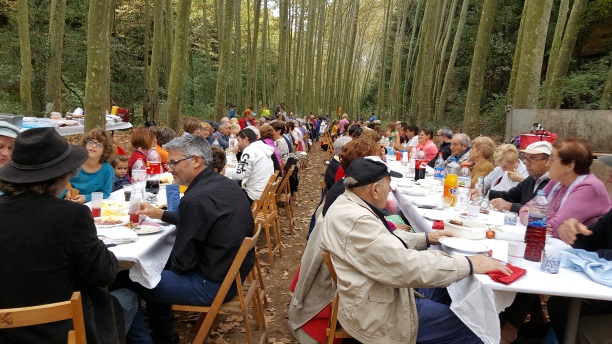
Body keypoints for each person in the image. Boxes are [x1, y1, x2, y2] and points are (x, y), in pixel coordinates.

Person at [318, 156, 511, 343]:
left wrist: (425, 238)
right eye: (389, 184)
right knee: (474, 325)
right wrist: (468, 263)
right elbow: (405, 266)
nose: (390, 190)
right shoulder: (357, 220)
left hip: (377, 290)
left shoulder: (349, 203)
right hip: (376, 311)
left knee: (453, 292)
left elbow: (383, 242)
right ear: (376, 189)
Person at [0, 128, 138, 343]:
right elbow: (104, 275)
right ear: (62, 176)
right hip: (62, 332)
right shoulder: (71, 216)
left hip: (5, 333)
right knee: (128, 298)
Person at [120, 134, 254, 343]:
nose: (169, 168)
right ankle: (164, 333)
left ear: (196, 161)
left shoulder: (195, 199)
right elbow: (201, 219)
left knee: (126, 278)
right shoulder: (223, 184)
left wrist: (155, 264)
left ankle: (145, 339)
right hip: (232, 274)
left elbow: (183, 264)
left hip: (213, 284)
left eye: (173, 163)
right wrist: (161, 214)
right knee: (154, 267)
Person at [547, 156, 612, 343]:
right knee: (562, 304)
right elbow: (594, 239)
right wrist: (575, 233)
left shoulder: (589, 187)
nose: (608, 179)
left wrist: (593, 254)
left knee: (569, 311)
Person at [518, 138, 611, 237]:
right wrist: (534, 220)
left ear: (570, 165)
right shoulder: (556, 181)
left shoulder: (589, 187)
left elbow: (557, 229)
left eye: (552, 160)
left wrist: (533, 218)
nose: (547, 164)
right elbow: (525, 209)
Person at [488, 141, 551, 213]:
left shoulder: (552, 183)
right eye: (526, 159)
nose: (527, 163)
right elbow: (510, 196)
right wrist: (484, 192)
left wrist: (510, 206)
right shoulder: (531, 179)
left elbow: (538, 211)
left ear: (547, 161)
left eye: (532, 159)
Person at [224, 128, 275, 203]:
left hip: (254, 197)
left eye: (238, 140)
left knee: (224, 189)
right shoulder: (261, 148)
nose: (237, 144)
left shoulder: (249, 150)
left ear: (246, 139)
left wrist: (223, 170)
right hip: (264, 194)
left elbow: (241, 174)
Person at [63, 128, 114, 203]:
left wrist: (86, 198)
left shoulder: (107, 170)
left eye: (99, 144)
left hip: (92, 205)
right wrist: (66, 192)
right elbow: (59, 183)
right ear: (85, 145)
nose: (93, 146)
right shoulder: (73, 163)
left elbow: (106, 193)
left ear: (105, 150)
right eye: (90, 142)